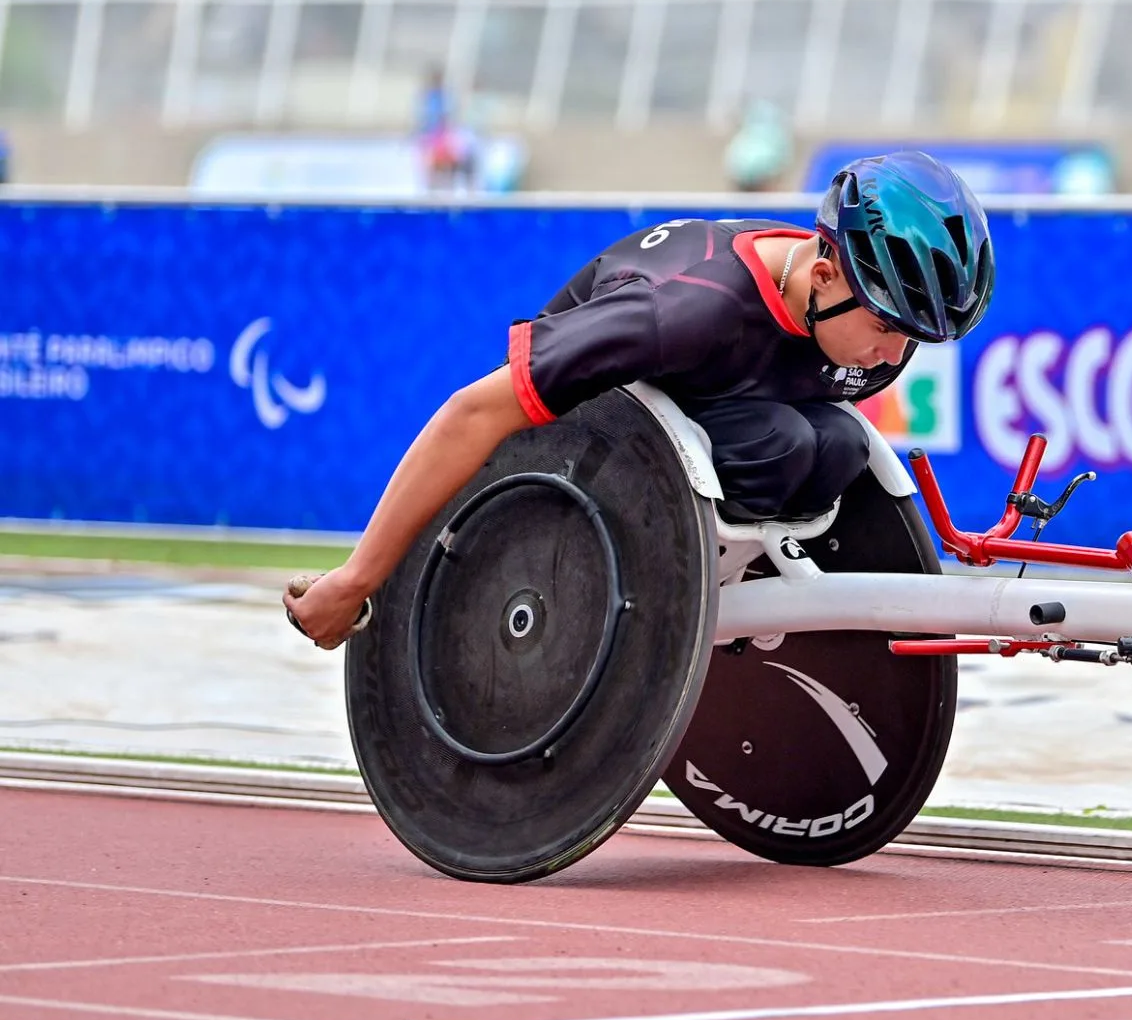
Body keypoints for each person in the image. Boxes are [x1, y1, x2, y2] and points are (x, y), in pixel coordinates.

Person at [285, 150, 995, 649]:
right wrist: (356, 579)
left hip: (718, 416)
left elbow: (835, 394)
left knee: (835, 444)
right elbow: (474, 413)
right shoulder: (683, 311)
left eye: (916, 341)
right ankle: (649, 600)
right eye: (885, 327)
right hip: (588, 445)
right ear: (826, 271)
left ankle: (733, 592)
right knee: (781, 441)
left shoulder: (861, 339)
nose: (892, 358)